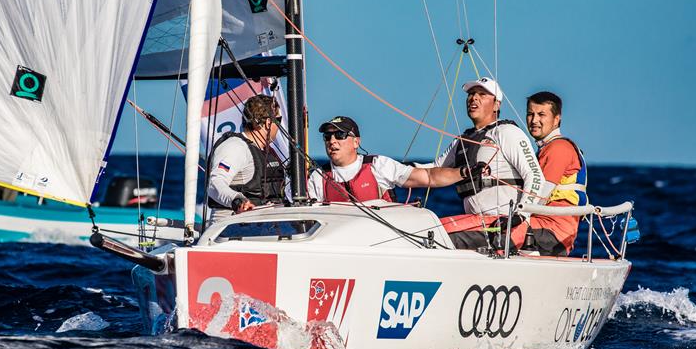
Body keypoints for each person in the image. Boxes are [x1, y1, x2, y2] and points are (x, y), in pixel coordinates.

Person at [424, 77, 546, 251]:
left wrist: (520, 215)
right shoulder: (462, 140)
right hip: (476, 223)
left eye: (482, 94)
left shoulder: (507, 132)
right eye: (471, 94)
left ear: (496, 105)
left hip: (503, 225)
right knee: (425, 230)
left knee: (433, 236)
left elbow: (535, 176)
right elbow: (433, 170)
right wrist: (394, 170)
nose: (474, 98)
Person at [306, 116, 483, 202]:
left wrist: (464, 172)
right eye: (327, 136)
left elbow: (428, 177)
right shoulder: (318, 177)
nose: (332, 140)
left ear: (356, 142)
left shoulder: (378, 165)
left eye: (340, 134)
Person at [524, 91, 588, 256]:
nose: (534, 120)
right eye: (530, 114)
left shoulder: (558, 148)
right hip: (549, 229)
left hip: (551, 232)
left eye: (541, 115)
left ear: (557, 119)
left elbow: (541, 195)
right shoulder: (546, 148)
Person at [206, 94, 287, 224]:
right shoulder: (236, 147)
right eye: (278, 119)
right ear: (268, 123)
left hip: (260, 228)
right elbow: (215, 184)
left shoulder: (267, 152)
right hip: (230, 231)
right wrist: (238, 200)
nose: (279, 125)